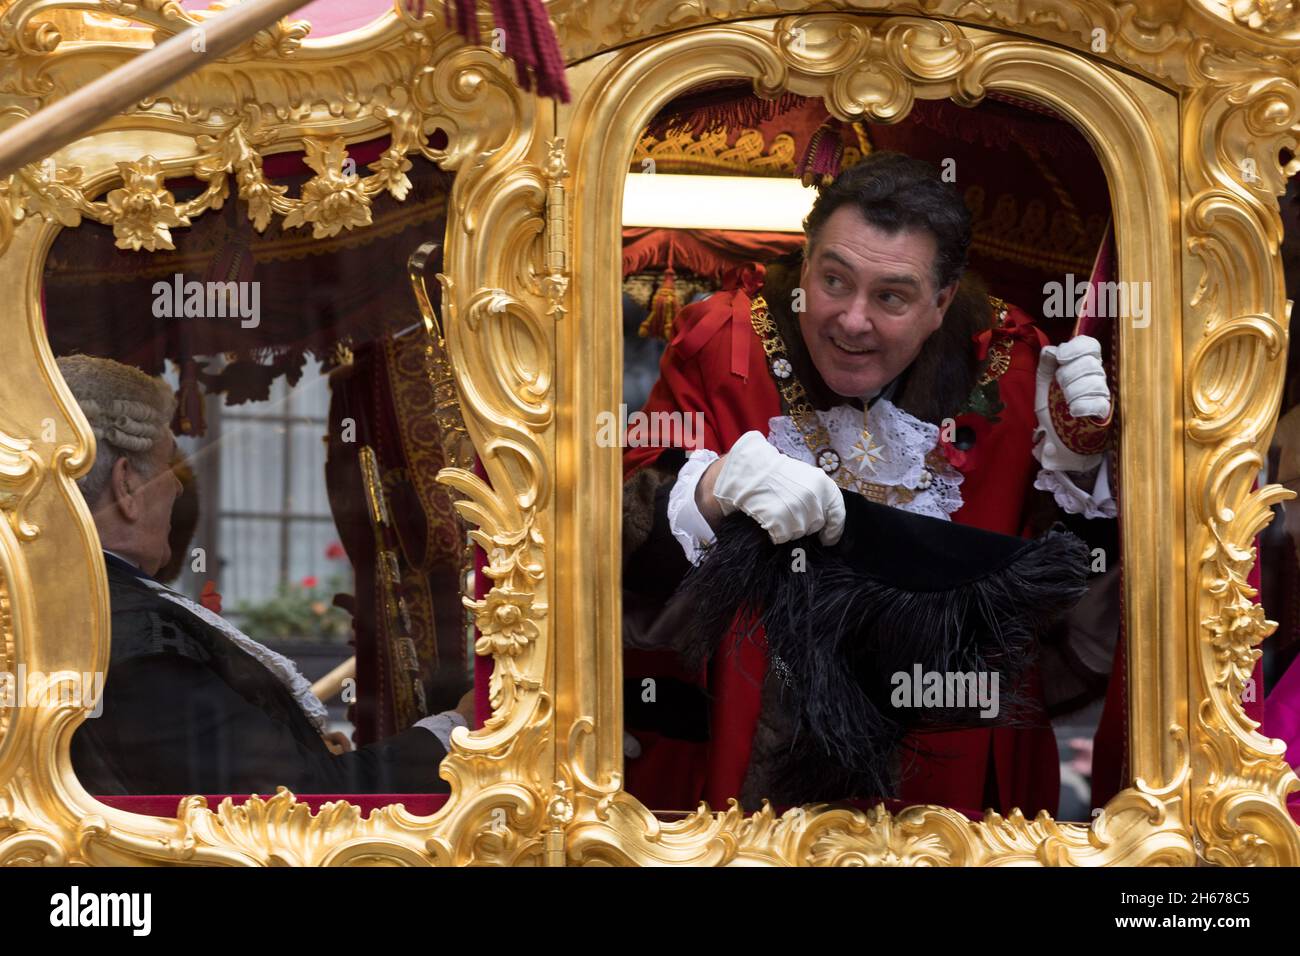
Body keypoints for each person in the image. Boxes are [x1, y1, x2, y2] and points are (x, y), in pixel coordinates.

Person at [622, 151, 1115, 815]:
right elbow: (614, 567)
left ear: (941, 302)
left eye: (891, 296)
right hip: (751, 778)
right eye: (833, 280)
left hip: (952, 788)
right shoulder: (724, 347)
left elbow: (1068, 625)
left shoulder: (1017, 371)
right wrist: (706, 490)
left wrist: (1085, 476)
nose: (852, 320)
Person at [61, 354, 470, 796]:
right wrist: (455, 732)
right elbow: (297, 800)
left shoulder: (93, 606)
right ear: (126, 487)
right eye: (166, 465)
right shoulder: (128, 635)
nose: (177, 486)